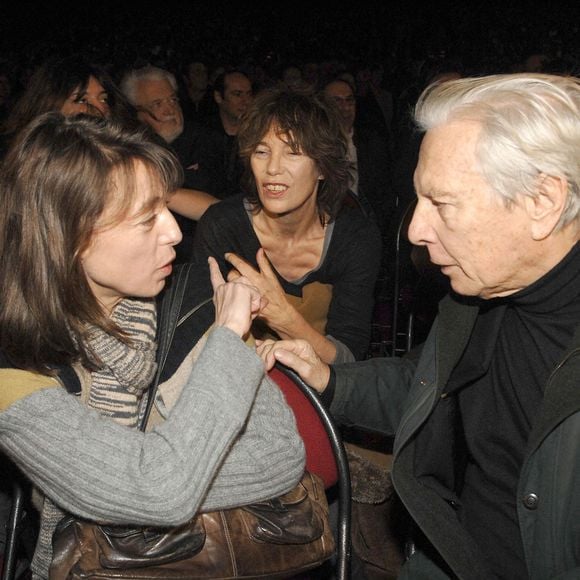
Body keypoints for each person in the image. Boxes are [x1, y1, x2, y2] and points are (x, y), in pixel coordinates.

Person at [258, 73, 580, 579]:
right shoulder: (474, 298)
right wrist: (332, 380)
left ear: (542, 202)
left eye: (442, 203)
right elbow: (428, 386)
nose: (415, 230)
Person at [0, 113, 305, 580]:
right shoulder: (14, 363)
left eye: (167, 207)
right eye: (147, 219)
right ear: (69, 238)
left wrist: (147, 477)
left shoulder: (189, 304)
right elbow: (160, 489)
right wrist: (227, 343)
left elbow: (280, 454)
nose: (175, 232)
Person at [193, 87, 383, 364]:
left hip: (318, 391)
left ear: (322, 167)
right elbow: (196, 339)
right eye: (261, 151)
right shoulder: (222, 226)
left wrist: (283, 318)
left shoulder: (355, 238)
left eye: (293, 152)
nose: (272, 168)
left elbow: (347, 360)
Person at [120, 65, 222, 260]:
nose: (170, 110)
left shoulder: (206, 139)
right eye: (157, 104)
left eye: (173, 100)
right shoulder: (128, 153)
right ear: (136, 113)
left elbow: (220, 204)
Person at [323, 77, 395, 227]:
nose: (345, 108)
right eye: (337, 101)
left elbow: (383, 191)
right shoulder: (316, 145)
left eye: (349, 101)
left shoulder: (372, 141)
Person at [202, 70, 254, 199]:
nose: (246, 101)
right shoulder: (202, 135)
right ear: (219, 97)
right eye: (237, 94)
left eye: (249, 94)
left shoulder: (258, 134)